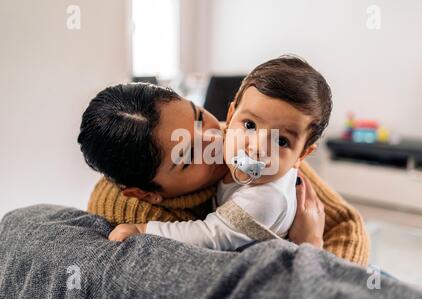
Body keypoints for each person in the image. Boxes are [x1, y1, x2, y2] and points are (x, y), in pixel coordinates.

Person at [78, 56, 369, 265]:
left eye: (198, 116)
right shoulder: (131, 220)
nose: (216, 139)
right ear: (145, 194)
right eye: (189, 155)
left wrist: (314, 254)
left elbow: (346, 224)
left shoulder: (260, 156)